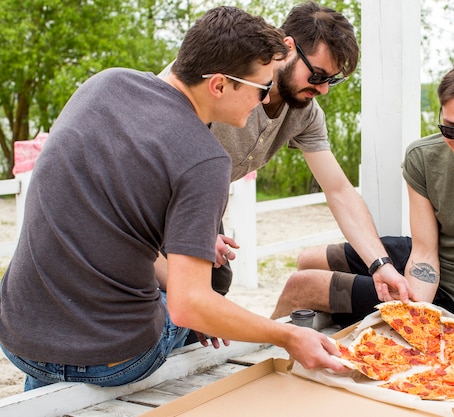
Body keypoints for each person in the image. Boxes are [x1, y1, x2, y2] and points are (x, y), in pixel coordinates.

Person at [0, 6, 345, 392]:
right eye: (261, 88)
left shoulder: (105, 84)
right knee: (204, 300)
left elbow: (110, 228)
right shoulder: (206, 157)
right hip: (114, 361)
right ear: (218, 84)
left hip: (18, 336)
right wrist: (287, 337)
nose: (265, 101)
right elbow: (187, 303)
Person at [271, 60, 454, 382]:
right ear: (441, 115)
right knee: (307, 259)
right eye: (451, 129)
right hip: (423, 261)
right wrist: (414, 312)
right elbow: (425, 251)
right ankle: (330, 316)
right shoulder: (423, 156)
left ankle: (253, 353)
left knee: (300, 285)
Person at [166, 1, 414, 347]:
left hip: (202, 205)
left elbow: (338, 191)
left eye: (332, 80)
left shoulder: (305, 113)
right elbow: (160, 156)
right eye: (318, 75)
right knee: (172, 296)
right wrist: (186, 229)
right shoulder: (223, 79)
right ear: (287, 47)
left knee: (217, 283)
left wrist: (380, 264)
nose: (324, 89)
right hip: (163, 202)